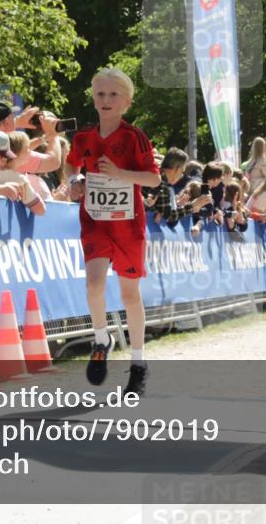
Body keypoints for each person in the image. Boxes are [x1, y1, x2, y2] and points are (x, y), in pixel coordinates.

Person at [65, 68, 160, 395]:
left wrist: (120, 173)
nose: (106, 100)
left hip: (128, 225)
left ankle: (138, 363)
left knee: (129, 295)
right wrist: (74, 180)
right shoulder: (83, 138)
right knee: (93, 284)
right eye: (100, 94)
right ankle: (101, 339)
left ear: (127, 102)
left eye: (113, 95)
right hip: (94, 222)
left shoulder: (134, 137)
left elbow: (153, 179)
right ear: (93, 98)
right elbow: (71, 162)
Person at [0, 130, 45, 215]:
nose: (5, 159)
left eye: (7, 155)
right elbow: (40, 210)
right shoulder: (17, 179)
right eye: (2, 155)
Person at [147, 147, 212, 227]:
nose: (181, 175)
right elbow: (170, 216)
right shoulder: (161, 181)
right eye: (182, 171)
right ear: (177, 169)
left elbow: (167, 213)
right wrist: (193, 205)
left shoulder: (159, 176)